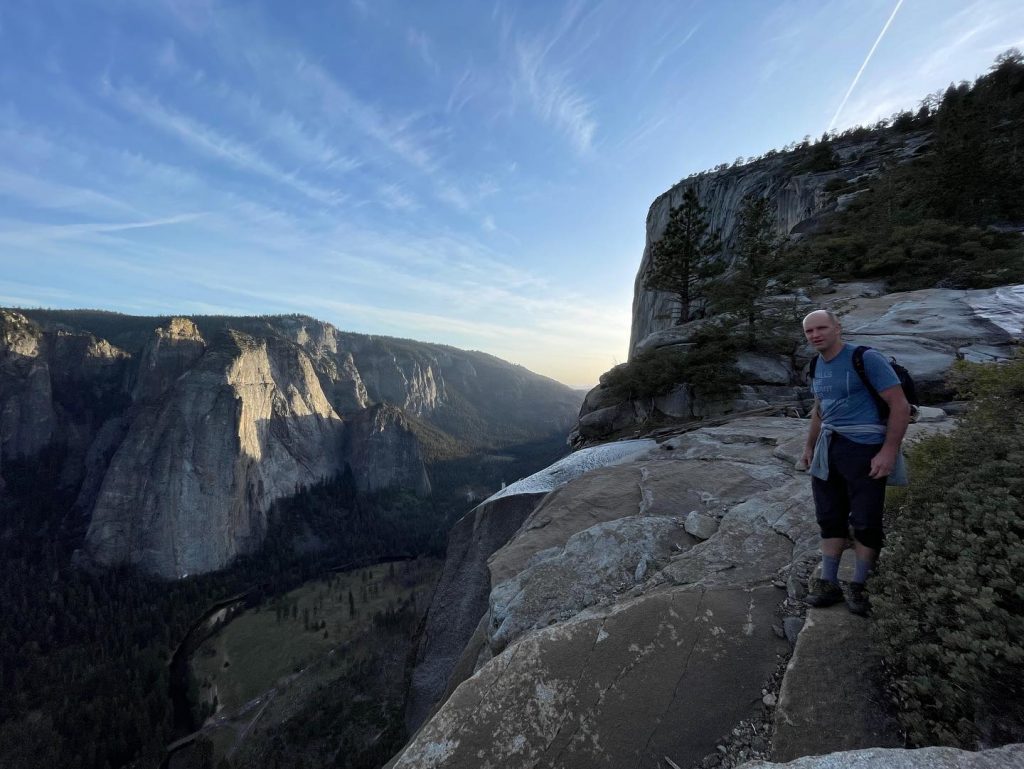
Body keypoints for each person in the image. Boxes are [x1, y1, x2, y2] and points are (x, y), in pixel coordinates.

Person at [800, 309, 910, 615]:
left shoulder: (865, 358)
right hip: (829, 448)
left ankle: (861, 584)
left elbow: (900, 406)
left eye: (821, 328)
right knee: (829, 516)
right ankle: (828, 582)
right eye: (809, 331)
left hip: (864, 447)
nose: (815, 335)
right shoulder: (816, 364)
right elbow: (820, 410)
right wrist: (809, 446)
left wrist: (888, 452)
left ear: (837, 328)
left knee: (865, 519)